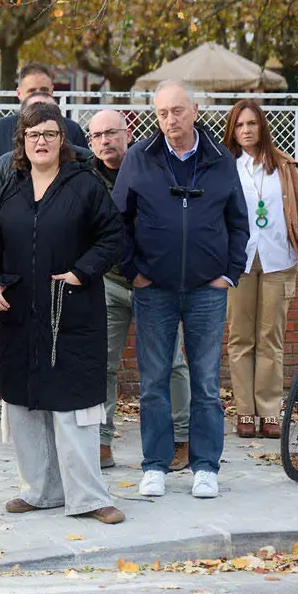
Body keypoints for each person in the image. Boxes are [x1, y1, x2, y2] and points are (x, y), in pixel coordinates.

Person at [0, 102, 126, 525]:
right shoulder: (10, 186)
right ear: (22, 142)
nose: (41, 142)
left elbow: (113, 236)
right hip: (20, 313)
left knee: (73, 408)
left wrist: (83, 271)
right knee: (24, 405)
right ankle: (40, 491)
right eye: (33, 134)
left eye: (49, 134)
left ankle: (89, 497)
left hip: (71, 312)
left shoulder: (85, 184)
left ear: (63, 140)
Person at [112, 80, 248, 500]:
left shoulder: (221, 159)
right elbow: (117, 222)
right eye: (161, 113)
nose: (169, 120)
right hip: (154, 289)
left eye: (176, 111)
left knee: (206, 383)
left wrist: (229, 273)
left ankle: (205, 466)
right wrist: (133, 271)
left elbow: (238, 221)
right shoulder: (139, 158)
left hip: (208, 290)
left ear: (194, 110)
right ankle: (155, 464)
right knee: (153, 381)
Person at [0, 64, 89, 426]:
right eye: (34, 89)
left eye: (47, 90)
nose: (41, 95)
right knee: (1, 324)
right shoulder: (0, 134)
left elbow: (89, 172)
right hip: (11, 256)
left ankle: (55, 394)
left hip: (60, 257)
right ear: (19, 94)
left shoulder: (72, 132)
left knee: (59, 325)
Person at [85, 109, 192, 471]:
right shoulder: (85, 176)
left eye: (110, 133)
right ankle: (101, 442)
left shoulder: (153, 166)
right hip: (110, 284)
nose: (104, 141)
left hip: (156, 283)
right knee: (103, 365)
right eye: (96, 136)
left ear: (127, 133)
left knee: (172, 364)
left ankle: (182, 439)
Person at [221, 99, 298, 439]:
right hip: (238, 262)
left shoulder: (283, 166)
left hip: (278, 260)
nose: (246, 131)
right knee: (241, 338)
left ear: (262, 127)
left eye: (251, 124)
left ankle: (270, 411)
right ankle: (245, 411)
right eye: (240, 125)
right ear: (233, 130)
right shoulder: (225, 166)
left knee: (270, 338)